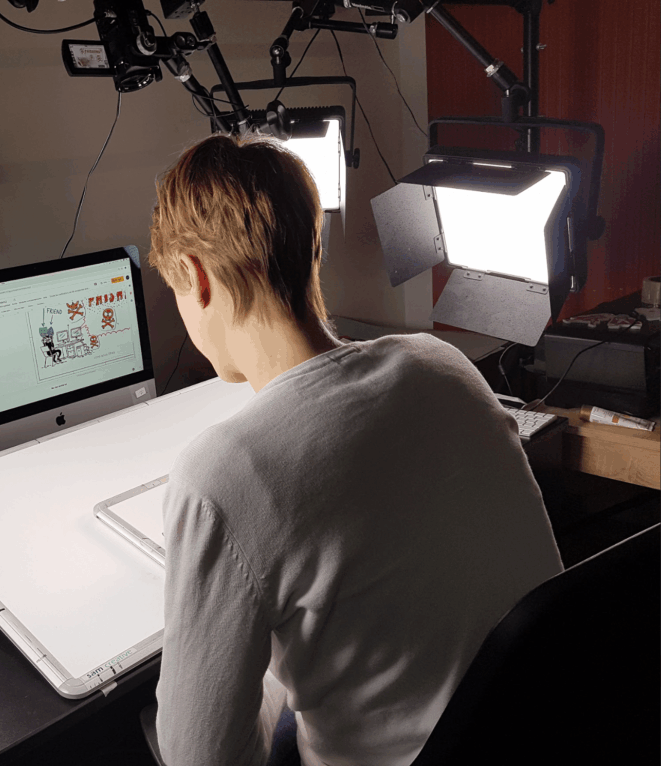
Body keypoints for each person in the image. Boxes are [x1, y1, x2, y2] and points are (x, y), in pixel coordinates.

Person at [146, 133, 563, 766]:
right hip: (552, 729)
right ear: (312, 248)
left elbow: (202, 759)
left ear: (197, 277)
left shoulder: (221, 476)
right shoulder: (444, 363)